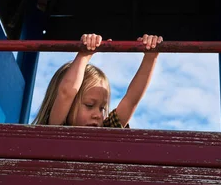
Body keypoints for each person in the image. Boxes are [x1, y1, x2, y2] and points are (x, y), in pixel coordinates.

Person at [32, 33, 163, 128]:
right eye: (89, 105)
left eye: (101, 108)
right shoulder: (56, 128)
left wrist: (150, 59)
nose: (97, 115)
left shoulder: (105, 131)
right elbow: (66, 93)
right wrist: (84, 55)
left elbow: (131, 101)